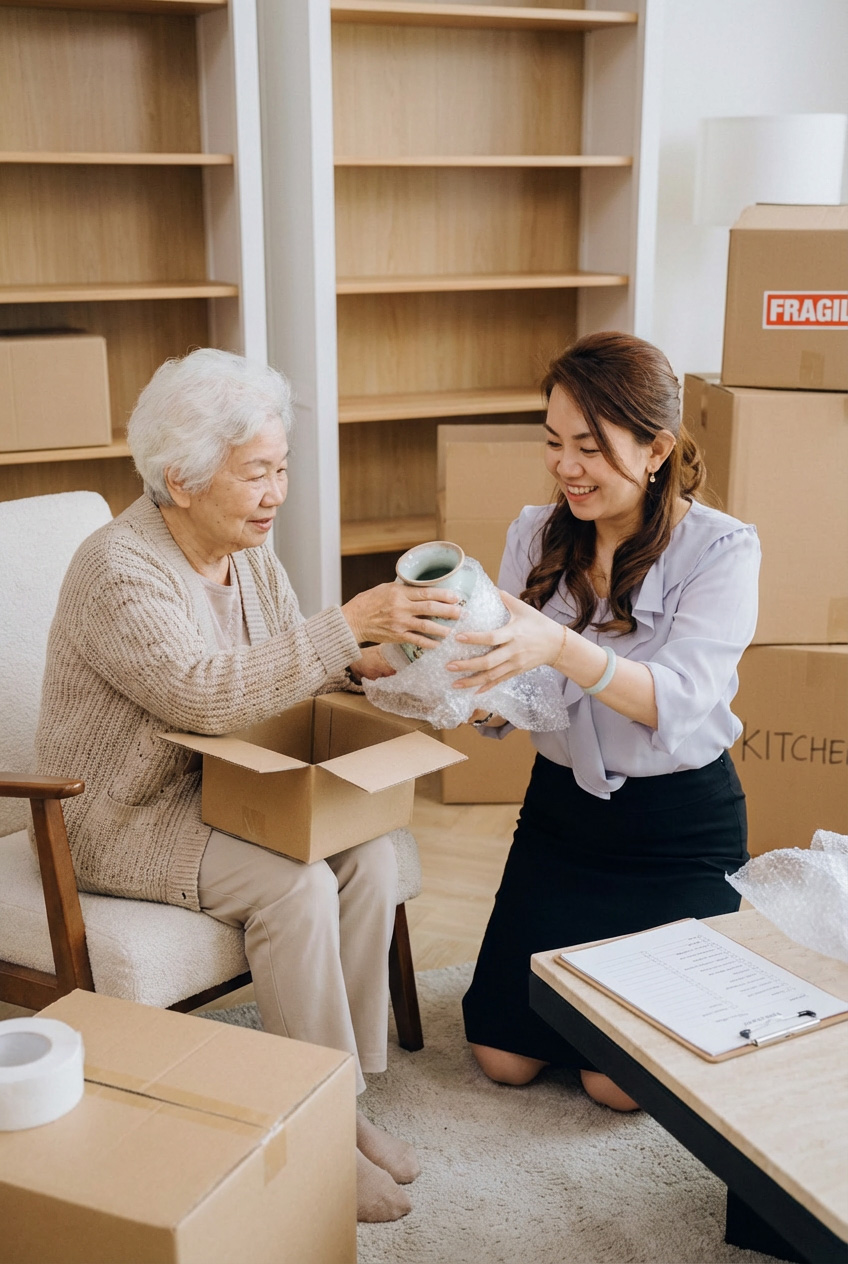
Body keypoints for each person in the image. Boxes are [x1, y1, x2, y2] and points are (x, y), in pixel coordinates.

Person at [34, 347, 460, 1221]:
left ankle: (343, 1103)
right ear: (180, 480)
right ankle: (315, 1129)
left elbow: (284, 677)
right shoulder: (118, 569)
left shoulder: (248, 551)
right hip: (121, 812)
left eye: (281, 469)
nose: (277, 493)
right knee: (293, 884)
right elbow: (203, 693)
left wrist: (381, 664)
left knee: (375, 853)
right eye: (257, 473)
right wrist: (343, 625)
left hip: (232, 789)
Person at [449, 331, 760, 1110]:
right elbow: (521, 696)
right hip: (561, 823)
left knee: (614, 1084)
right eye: (553, 443)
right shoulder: (536, 533)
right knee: (501, 1057)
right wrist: (459, 683)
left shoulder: (720, 550)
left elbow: (677, 700)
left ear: (656, 448)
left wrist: (556, 642)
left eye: (589, 447)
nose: (565, 467)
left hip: (676, 832)